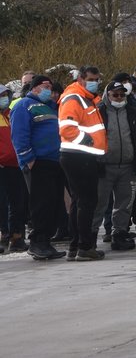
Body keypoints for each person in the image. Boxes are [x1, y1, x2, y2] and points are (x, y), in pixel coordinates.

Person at [10, 75, 67, 260]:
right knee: (41, 204)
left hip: (55, 162)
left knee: (53, 203)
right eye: (44, 86)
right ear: (34, 88)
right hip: (38, 162)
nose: (48, 89)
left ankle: (46, 241)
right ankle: (37, 242)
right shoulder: (24, 105)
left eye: (50, 87)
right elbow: (19, 134)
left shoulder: (51, 107)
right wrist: (27, 158)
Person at [93, 80, 136, 251]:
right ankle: (90, 235)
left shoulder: (134, 113)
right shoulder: (98, 112)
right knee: (99, 203)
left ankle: (119, 233)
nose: (119, 98)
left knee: (125, 203)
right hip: (104, 166)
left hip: (128, 167)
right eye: (115, 95)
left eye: (121, 94)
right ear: (107, 95)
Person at [59, 66, 108, 260]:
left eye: (97, 79)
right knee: (87, 203)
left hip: (79, 156)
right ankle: (84, 247)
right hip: (79, 156)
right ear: (80, 79)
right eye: (91, 79)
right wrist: (87, 141)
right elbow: (67, 129)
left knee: (80, 203)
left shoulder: (85, 97)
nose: (94, 82)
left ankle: (76, 246)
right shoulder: (74, 98)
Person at [0, 85, 30, 253]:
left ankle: (16, 236)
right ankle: (4, 234)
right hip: (2, 165)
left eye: (6, 95)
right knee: (2, 204)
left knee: (17, 202)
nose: (4, 98)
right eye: (1, 95)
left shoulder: (12, 114)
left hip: (15, 164)